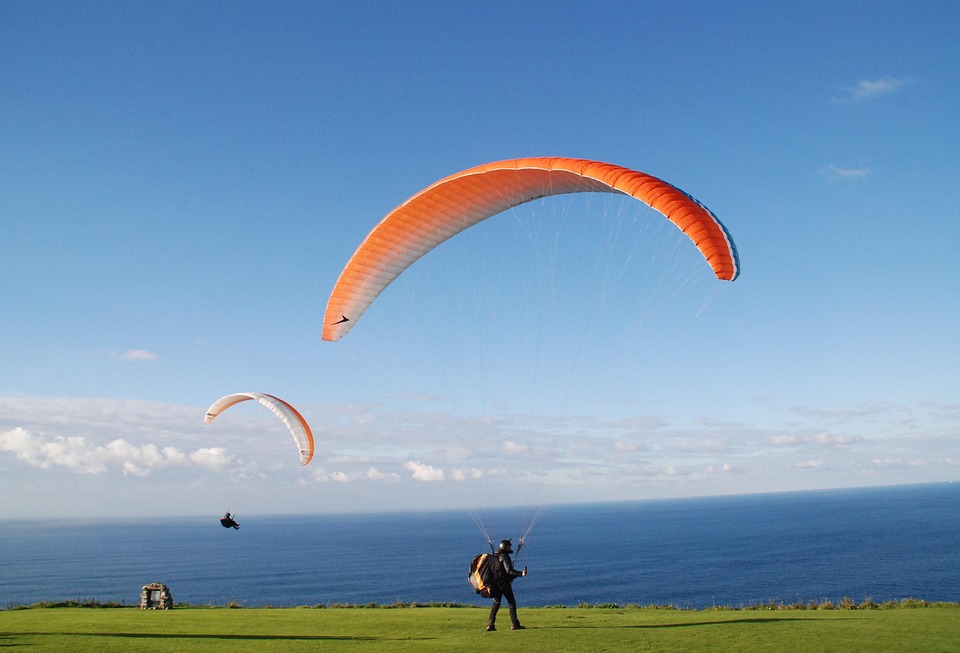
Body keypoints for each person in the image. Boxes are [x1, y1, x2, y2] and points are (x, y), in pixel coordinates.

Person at [486, 538, 527, 631]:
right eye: (509, 546)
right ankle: (515, 624)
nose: (510, 548)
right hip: (504, 584)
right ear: (505, 547)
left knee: (496, 603)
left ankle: (490, 624)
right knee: (511, 602)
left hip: (495, 584)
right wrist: (521, 573)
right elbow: (509, 571)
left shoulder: (494, 556)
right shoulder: (504, 556)